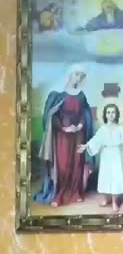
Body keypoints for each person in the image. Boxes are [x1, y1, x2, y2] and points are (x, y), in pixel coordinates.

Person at [34, 65, 93, 207]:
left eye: (81, 76)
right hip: (61, 137)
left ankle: (75, 193)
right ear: (70, 75)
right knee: (62, 166)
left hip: (77, 136)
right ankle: (58, 194)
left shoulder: (81, 96)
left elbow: (85, 115)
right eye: (76, 74)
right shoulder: (57, 95)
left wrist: (80, 125)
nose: (78, 78)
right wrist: (64, 128)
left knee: (76, 165)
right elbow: (51, 116)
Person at [78, 104, 123, 212]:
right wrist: (86, 146)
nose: (111, 115)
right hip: (106, 156)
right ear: (105, 114)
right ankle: (107, 198)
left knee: (116, 177)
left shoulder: (120, 128)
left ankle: (114, 202)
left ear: (116, 114)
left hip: (117, 155)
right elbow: (96, 140)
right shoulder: (102, 129)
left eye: (113, 112)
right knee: (106, 177)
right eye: (108, 112)